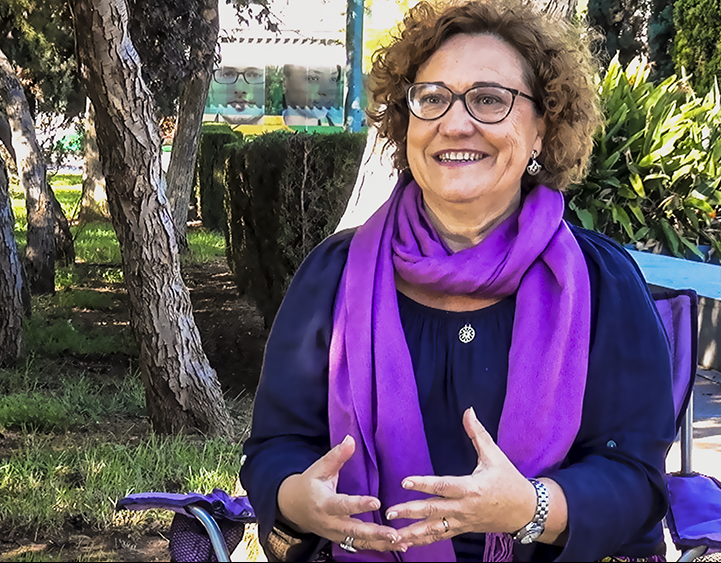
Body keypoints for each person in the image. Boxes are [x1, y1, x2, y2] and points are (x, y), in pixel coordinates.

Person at [240, 0, 676, 561]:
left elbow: (636, 478)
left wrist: (529, 508)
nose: (454, 123)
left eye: (489, 99)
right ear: (407, 125)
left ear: (542, 128)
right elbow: (275, 448)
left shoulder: (601, 284)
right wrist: (299, 500)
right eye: (432, 98)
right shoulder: (333, 275)